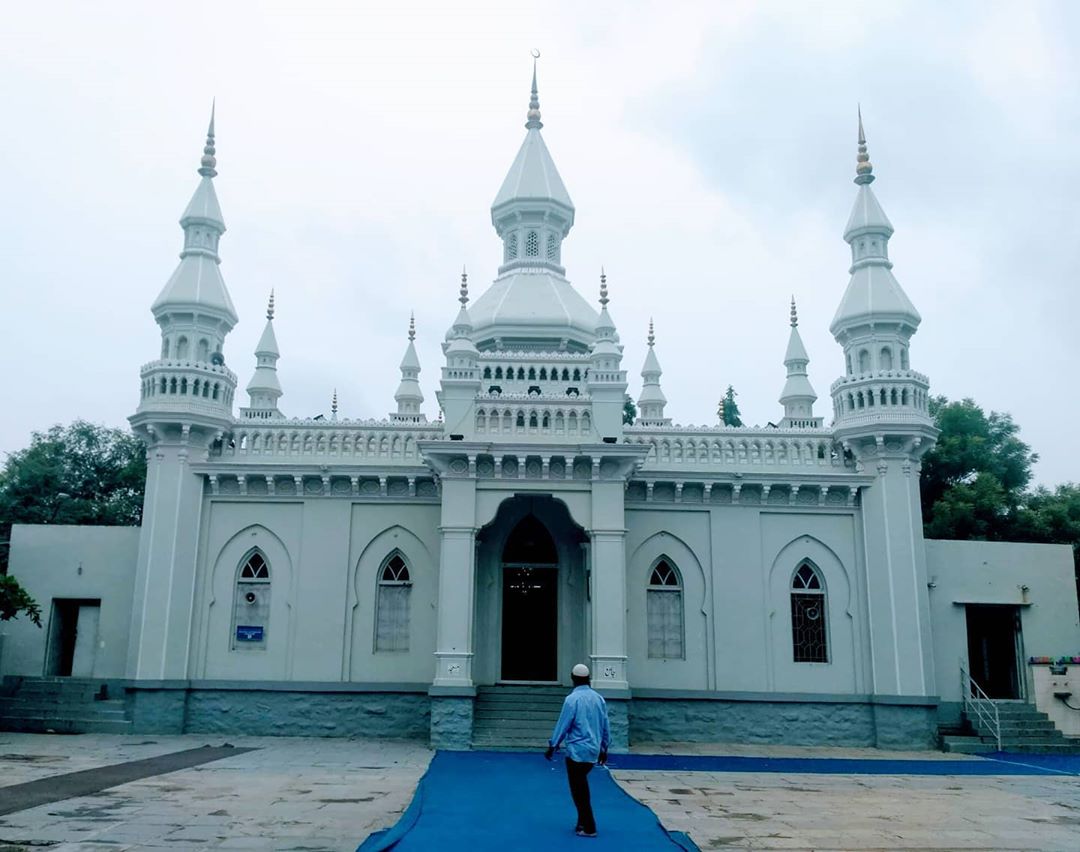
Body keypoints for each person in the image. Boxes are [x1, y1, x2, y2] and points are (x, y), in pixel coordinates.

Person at [544, 663, 611, 838]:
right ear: (588, 679)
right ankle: (581, 822)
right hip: (593, 750)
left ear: (573, 678)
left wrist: (553, 745)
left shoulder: (572, 700)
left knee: (579, 790)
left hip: (576, 751)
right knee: (581, 786)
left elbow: (563, 724)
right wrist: (604, 747)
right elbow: (605, 725)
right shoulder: (599, 699)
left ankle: (589, 826)